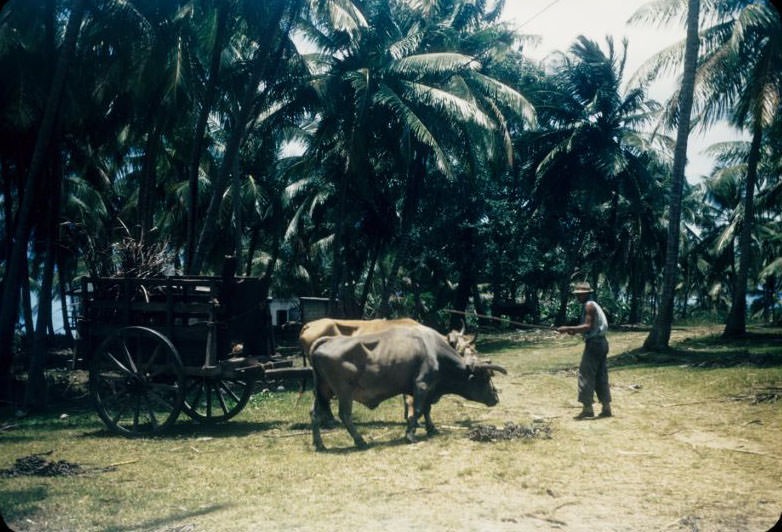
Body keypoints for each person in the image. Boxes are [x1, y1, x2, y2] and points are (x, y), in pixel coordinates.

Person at [556, 282, 612, 419]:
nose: (578, 297)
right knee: (600, 375)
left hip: (594, 344)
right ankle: (606, 407)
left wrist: (567, 327)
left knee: (585, 374)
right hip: (602, 342)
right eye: (577, 295)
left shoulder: (589, 306)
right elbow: (589, 327)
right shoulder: (593, 305)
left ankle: (587, 409)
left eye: (580, 295)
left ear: (587, 294)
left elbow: (587, 326)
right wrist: (573, 331)